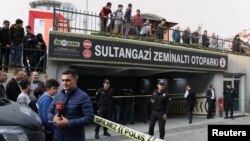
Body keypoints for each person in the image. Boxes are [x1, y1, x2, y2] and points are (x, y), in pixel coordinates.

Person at [48, 70, 94, 141]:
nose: (64, 83)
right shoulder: (58, 95)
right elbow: (49, 112)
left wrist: (69, 123)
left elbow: (89, 118)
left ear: (75, 80)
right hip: (57, 137)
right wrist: (53, 118)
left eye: (67, 80)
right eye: (63, 80)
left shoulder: (83, 97)